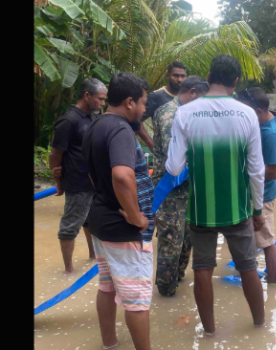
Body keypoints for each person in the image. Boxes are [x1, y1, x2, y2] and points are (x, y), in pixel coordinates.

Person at [165, 55, 266, 335]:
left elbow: (174, 167)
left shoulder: (184, 113)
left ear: (208, 77)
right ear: (235, 81)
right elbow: (257, 170)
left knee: (202, 268)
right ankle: (260, 325)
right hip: (238, 210)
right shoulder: (246, 114)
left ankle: (209, 332)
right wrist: (257, 210)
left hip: (201, 210)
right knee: (248, 267)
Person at [82, 72, 154, 350]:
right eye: (143, 103)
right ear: (129, 102)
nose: (144, 109)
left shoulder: (95, 126)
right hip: (123, 229)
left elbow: (90, 174)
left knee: (107, 285)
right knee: (136, 300)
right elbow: (122, 176)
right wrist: (136, 217)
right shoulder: (122, 129)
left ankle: (109, 343)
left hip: (100, 220)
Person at [152, 76, 210, 296]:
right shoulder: (170, 114)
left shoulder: (189, 113)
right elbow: (175, 158)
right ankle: (166, 292)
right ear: (193, 92)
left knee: (187, 238)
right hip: (170, 190)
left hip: (188, 188)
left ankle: (177, 277)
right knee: (171, 241)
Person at [49, 78, 107, 274]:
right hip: (77, 182)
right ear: (87, 96)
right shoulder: (69, 120)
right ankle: (69, 270)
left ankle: (93, 257)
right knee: (70, 225)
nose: (103, 103)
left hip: (94, 183)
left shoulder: (93, 117)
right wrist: (59, 182)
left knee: (91, 222)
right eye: (100, 99)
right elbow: (55, 155)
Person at [237, 87, 276, 283]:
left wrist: (242, 172)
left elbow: (274, 172)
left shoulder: (270, 134)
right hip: (251, 194)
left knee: (266, 241)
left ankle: (271, 282)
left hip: (262, 197)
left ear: (257, 111)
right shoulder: (258, 126)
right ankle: (251, 275)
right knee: (252, 239)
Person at [136, 62, 187, 152]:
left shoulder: (188, 97)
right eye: (176, 76)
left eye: (183, 76)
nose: (180, 80)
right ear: (167, 76)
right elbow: (136, 120)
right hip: (163, 158)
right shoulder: (155, 96)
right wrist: (150, 143)